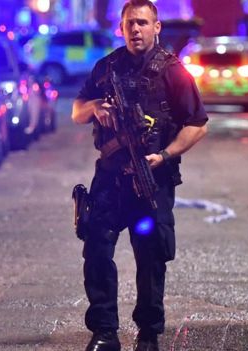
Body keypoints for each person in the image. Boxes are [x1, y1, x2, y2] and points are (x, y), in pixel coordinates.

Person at [71, 1, 208, 350]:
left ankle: (148, 335)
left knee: (150, 257)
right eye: (130, 23)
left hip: (151, 181)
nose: (136, 29)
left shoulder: (174, 72)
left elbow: (198, 125)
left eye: (143, 23)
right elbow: (77, 111)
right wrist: (95, 108)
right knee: (97, 249)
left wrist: (164, 155)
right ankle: (104, 332)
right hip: (111, 179)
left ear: (156, 27)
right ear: (121, 27)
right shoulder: (106, 67)